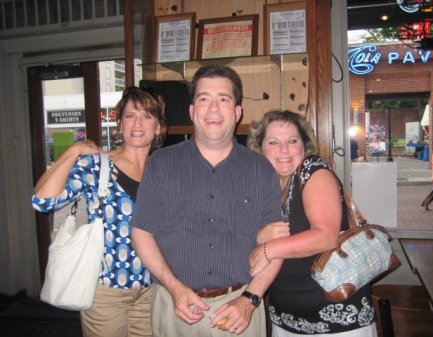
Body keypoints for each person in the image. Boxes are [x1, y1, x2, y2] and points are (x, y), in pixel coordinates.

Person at [131, 64, 286, 337]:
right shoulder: (160, 164)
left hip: (241, 309)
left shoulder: (261, 170)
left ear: (238, 112)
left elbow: (277, 246)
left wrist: (250, 299)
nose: (213, 109)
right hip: (175, 306)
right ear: (192, 111)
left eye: (223, 99)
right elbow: (142, 232)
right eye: (204, 99)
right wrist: (175, 289)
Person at [32, 86, 167, 337]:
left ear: (158, 127)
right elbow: (42, 201)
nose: (137, 123)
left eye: (147, 116)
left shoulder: (162, 171)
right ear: (120, 125)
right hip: (106, 292)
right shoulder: (97, 165)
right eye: (130, 115)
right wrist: (73, 151)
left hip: (152, 289)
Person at [247, 110, 377, 337]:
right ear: (260, 148)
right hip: (286, 318)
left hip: (337, 322)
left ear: (304, 145)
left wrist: (269, 248)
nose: (284, 150)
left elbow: (325, 236)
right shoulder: (268, 185)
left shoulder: (312, 170)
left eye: (292, 141)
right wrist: (259, 235)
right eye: (273, 142)